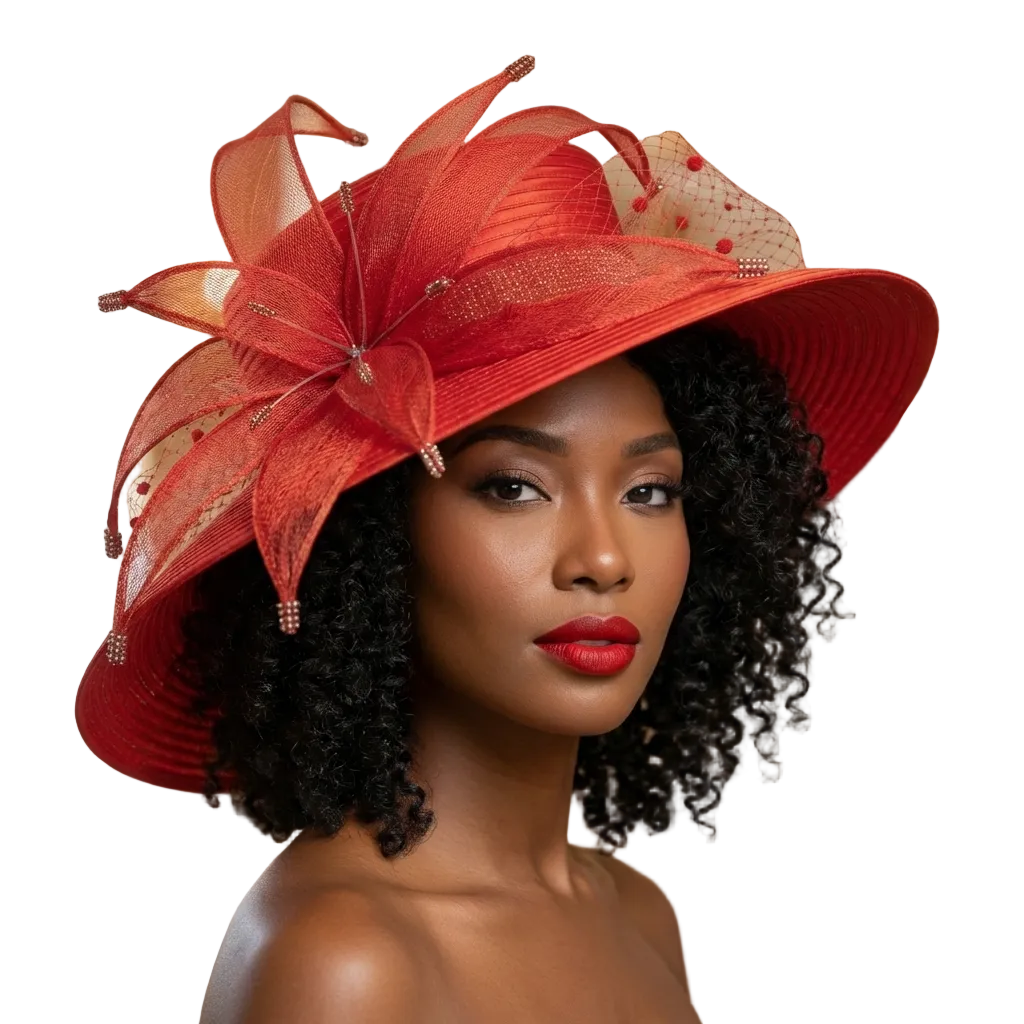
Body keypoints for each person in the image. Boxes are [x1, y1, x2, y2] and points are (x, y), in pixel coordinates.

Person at [76, 55, 938, 1022]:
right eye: (515, 488)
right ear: (368, 540)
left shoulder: (637, 917)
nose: (604, 559)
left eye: (651, 492)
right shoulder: (344, 965)